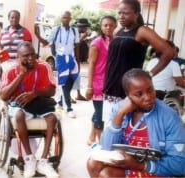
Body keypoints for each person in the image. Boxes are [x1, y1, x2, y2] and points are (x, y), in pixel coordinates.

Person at [87, 68, 185, 177]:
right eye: (139, 94)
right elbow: (106, 147)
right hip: (127, 163)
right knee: (92, 163)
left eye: (150, 90)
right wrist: (119, 115)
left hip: (154, 168)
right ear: (128, 95)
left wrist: (140, 165)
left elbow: (180, 164)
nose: (148, 98)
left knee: (107, 175)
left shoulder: (169, 116)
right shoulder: (119, 109)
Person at [102, 0, 174, 124]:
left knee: (124, 127)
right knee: (110, 126)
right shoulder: (117, 31)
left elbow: (169, 52)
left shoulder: (142, 31)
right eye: (119, 13)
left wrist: (149, 74)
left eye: (126, 13)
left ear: (136, 13)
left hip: (129, 90)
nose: (121, 16)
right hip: (111, 89)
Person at [0, 42, 59, 178]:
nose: (31, 58)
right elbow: (3, 95)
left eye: (33, 54)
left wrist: (35, 94)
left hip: (39, 102)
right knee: (19, 115)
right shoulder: (10, 70)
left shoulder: (44, 66)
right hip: (18, 104)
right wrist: (21, 75)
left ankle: (43, 161)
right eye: (26, 56)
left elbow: (52, 90)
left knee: (52, 118)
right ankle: (29, 159)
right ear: (18, 57)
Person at [35, 11, 80, 118]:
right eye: (63, 17)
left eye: (67, 18)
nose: (65, 19)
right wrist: (37, 35)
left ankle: (60, 102)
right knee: (64, 82)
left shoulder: (74, 31)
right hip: (60, 59)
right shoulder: (56, 30)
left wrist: (77, 60)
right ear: (61, 18)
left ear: (70, 19)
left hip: (71, 59)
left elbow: (77, 45)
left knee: (70, 80)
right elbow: (46, 43)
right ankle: (68, 108)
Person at [85, 16, 117, 145]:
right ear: (101, 26)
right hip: (98, 83)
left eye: (111, 25)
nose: (108, 27)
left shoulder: (115, 41)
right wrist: (89, 86)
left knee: (102, 112)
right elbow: (91, 64)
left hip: (111, 83)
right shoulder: (97, 43)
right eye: (105, 25)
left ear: (115, 26)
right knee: (100, 114)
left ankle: (91, 137)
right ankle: (100, 144)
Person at [73, 18, 91, 101]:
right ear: (79, 27)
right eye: (84, 27)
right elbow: (73, 46)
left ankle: (78, 94)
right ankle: (66, 97)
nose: (85, 29)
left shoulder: (79, 34)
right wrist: (82, 38)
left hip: (77, 59)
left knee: (77, 77)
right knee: (69, 78)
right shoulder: (72, 33)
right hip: (71, 59)